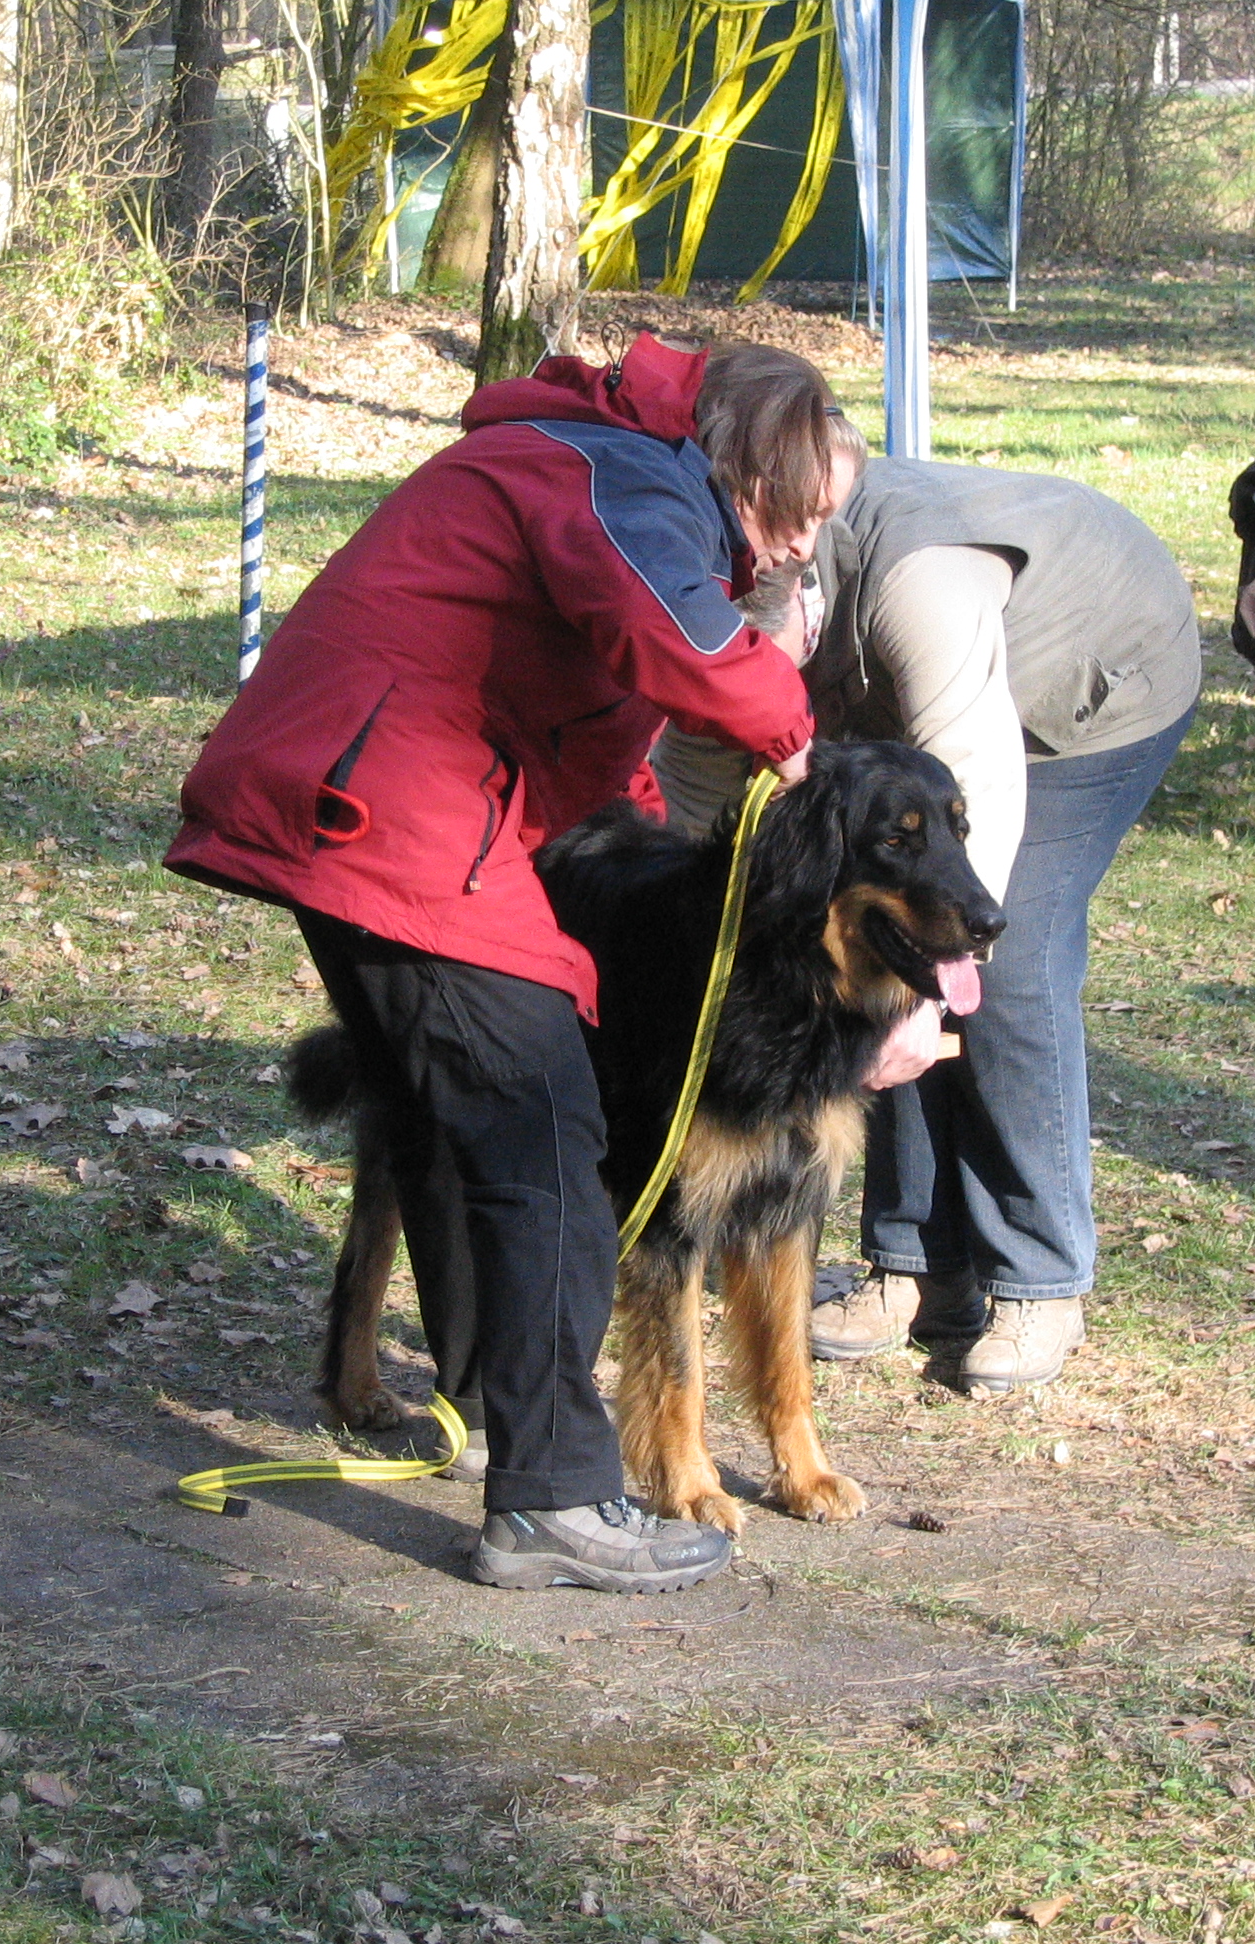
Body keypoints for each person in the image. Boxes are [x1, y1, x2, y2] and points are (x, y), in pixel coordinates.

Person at [166, 334, 858, 1593]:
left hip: (369, 799)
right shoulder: (626, 477)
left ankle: (497, 1408)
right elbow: (670, 637)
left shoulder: (613, 468)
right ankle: (553, 1495)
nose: (805, 548)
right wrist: (791, 732)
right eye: (802, 514)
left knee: (454, 1120)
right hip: (392, 813)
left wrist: (642, 843)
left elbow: (591, 718)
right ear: (747, 468)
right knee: (545, 1125)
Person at [655, 437, 1201, 1393]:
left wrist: (931, 1002)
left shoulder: (921, 587)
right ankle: (915, 1265)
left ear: (806, 610)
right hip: (908, 698)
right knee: (877, 959)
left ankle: (1038, 1277)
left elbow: (979, 785)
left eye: (769, 675)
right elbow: (694, 818)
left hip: (1096, 669)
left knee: (995, 952)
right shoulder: (717, 611)